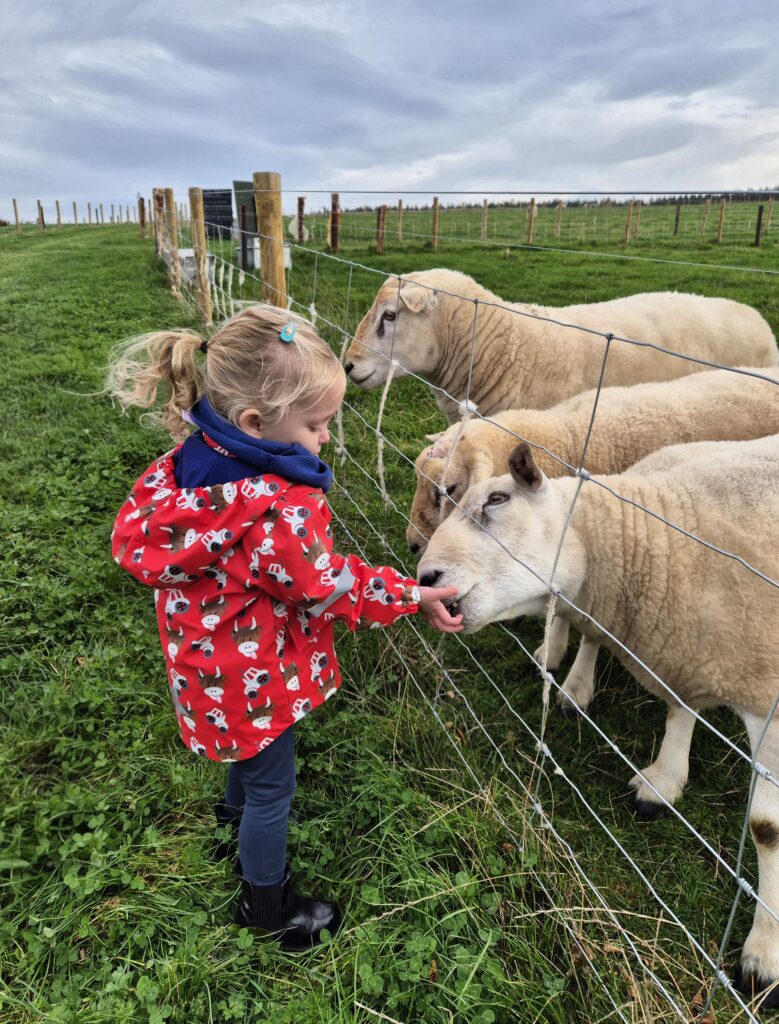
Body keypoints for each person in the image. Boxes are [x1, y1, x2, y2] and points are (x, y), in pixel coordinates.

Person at [107, 304, 462, 952]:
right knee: (275, 786)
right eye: (317, 424)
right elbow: (330, 587)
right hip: (254, 673)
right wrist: (411, 593)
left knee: (250, 755)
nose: (325, 438)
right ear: (256, 423)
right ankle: (265, 905)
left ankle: (230, 815)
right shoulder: (275, 511)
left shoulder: (195, 461)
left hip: (209, 667)